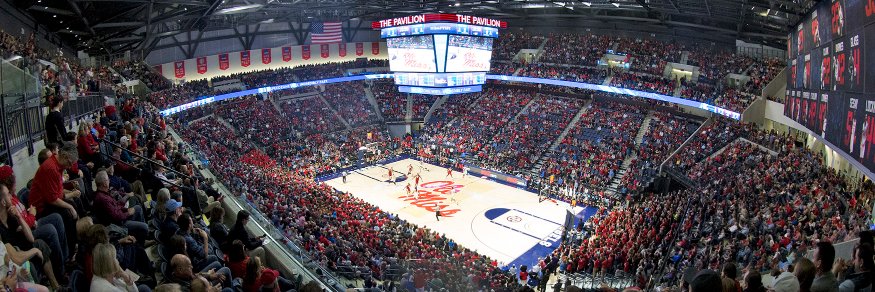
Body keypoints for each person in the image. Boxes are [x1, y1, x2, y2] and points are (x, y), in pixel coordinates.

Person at [28, 149, 81, 252]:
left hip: (47, 202)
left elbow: (58, 192)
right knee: (67, 212)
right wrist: (69, 206)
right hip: (40, 208)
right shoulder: (51, 168)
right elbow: (52, 199)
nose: (70, 167)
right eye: (70, 163)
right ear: (65, 157)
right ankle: (71, 251)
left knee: (72, 205)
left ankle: (75, 241)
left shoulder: (57, 165)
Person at [93, 170, 148, 243]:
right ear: (104, 183)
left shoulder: (105, 193)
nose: (109, 180)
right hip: (118, 225)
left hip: (120, 217)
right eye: (108, 179)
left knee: (137, 208)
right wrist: (128, 213)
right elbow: (117, 217)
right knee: (145, 227)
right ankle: (141, 242)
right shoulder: (102, 198)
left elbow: (116, 205)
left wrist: (126, 209)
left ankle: (140, 236)